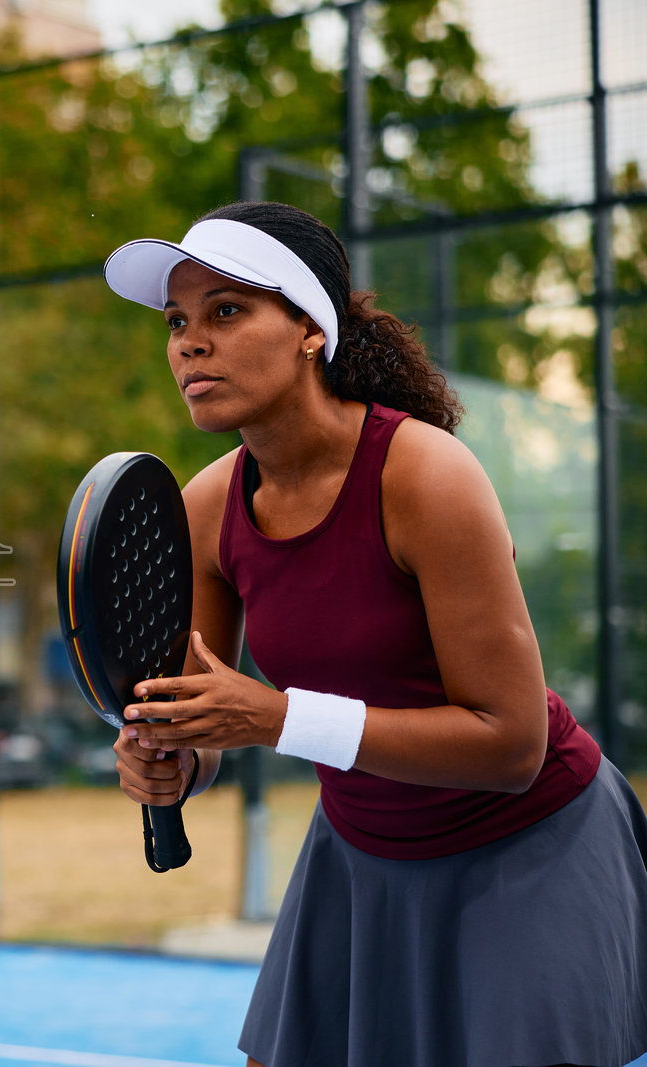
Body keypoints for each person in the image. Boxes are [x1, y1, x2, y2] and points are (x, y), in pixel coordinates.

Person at [100, 201, 647, 1067]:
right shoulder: (205, 508)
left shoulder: (426, 474)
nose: (188, 343)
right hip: (360, 853)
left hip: (529, 846)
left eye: (227, 310)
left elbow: (510, 743)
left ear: (311, 329)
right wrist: (170, 759)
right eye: (177, 321)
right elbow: (204, 718)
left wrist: (277, 718)